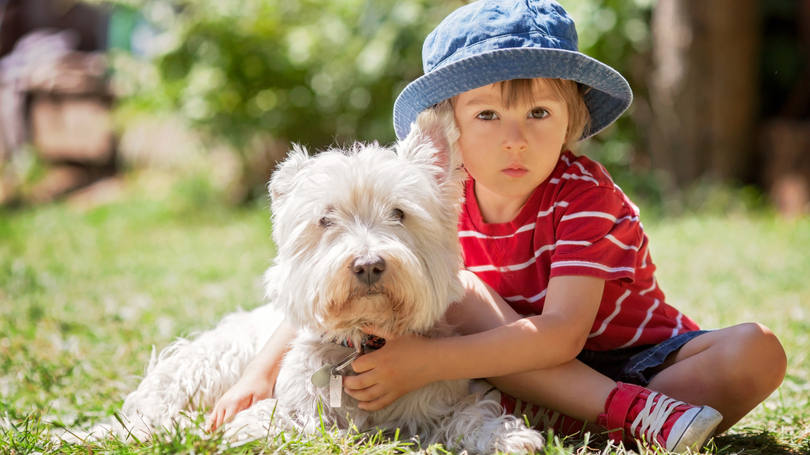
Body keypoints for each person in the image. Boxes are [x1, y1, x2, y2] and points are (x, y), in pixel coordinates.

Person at [209, 1, 787, 452]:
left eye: (539, 112)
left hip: (632, 362)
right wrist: (259, 372)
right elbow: (320, 287)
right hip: (504, 366)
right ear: (450, 130)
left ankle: (622, 415)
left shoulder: (585, 196)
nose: (515, 138)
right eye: (487, 114)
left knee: (757, 350)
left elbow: (560, 337)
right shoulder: (429, 198)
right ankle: (600, 421)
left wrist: (425, 364)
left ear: (571, 120)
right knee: (462, 292)